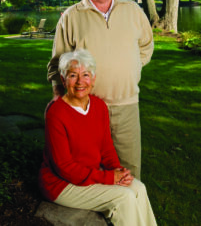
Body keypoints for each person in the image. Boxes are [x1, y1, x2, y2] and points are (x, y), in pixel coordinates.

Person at [47, 0, 154, 179]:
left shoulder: (133, 11)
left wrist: (133, 65)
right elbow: (58, 62)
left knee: (129, 169)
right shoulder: (70, 16)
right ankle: (99, 213)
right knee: (89, 169)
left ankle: (129, 212)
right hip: (86, 108)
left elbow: (146, 46)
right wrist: (59, 93)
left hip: (126, 105)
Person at [39, 49, 157, 226]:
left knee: (138, 188)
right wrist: (109, 178)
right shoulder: (56, 113)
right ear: (63, 80)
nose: (80, 82)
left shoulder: (99, 106)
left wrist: (118, 171)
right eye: (73, 75)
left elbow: (106, 148)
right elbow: (64, 167)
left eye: (86, 75)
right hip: (61, 185)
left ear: (93, 79)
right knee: (124, 198)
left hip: (89, 175)